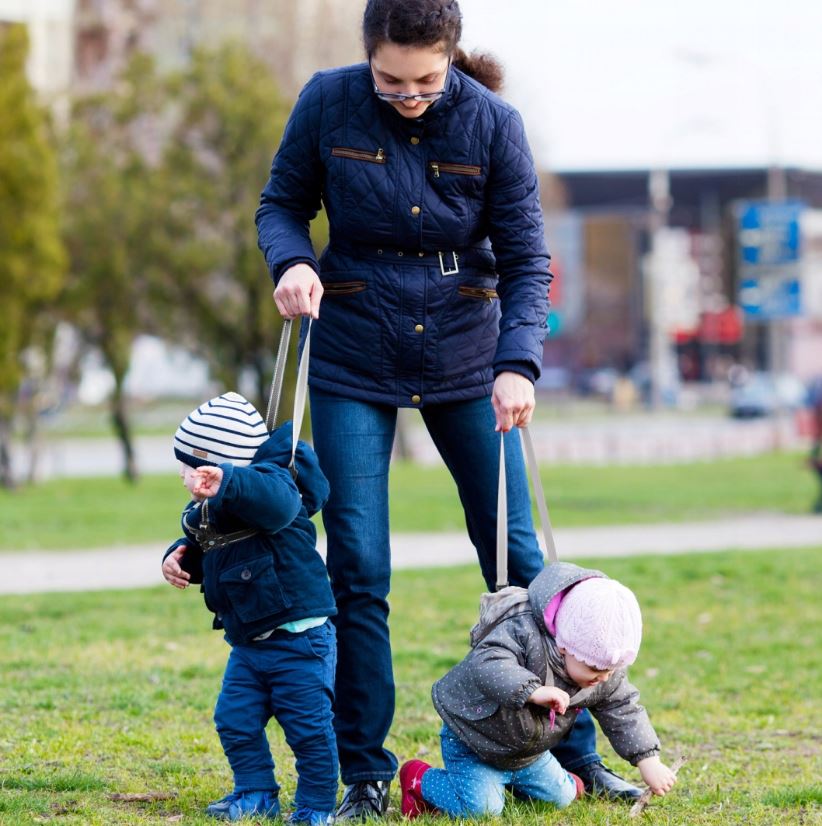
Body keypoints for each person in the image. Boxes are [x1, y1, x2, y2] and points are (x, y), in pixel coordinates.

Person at [255, 0, 643, 815]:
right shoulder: (327, 101)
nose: (408, 96)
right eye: (390, 80)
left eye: (427, 80)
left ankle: (574, 753)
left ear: (453, 58)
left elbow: (530, 258)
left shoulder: (495, 124)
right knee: (356, 566)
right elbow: (281, 204)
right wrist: (292, 260)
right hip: (355, 348)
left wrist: (519, 364)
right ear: (367, 58)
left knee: (528, 571)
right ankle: (363, 765)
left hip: (471, 355)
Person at [161, 392, 338, 824]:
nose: (182, 474)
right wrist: (180, 556)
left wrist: (230, 482)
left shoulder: (277, 485)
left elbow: (275, 507)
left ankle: (316, 807)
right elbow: (214, 549)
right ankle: (256, 791)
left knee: (309, 730)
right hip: (249, 644)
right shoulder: (208, 511)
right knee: (234, 720)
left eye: (188, 465)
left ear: (216, 465)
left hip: (300, 641)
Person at [398, 563, 677, 818]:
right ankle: (420, 780)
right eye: (595, 668)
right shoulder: (522, 632)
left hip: (527, 754)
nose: (603, 677)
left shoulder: (603, 672)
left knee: (562, 798)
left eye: (611, 670)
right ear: (565, 645)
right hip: (476, 741)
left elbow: (623, 709)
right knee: (482, 810)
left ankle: (546, 785)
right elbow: (488, 663)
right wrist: (532, 691)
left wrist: (647, 759)